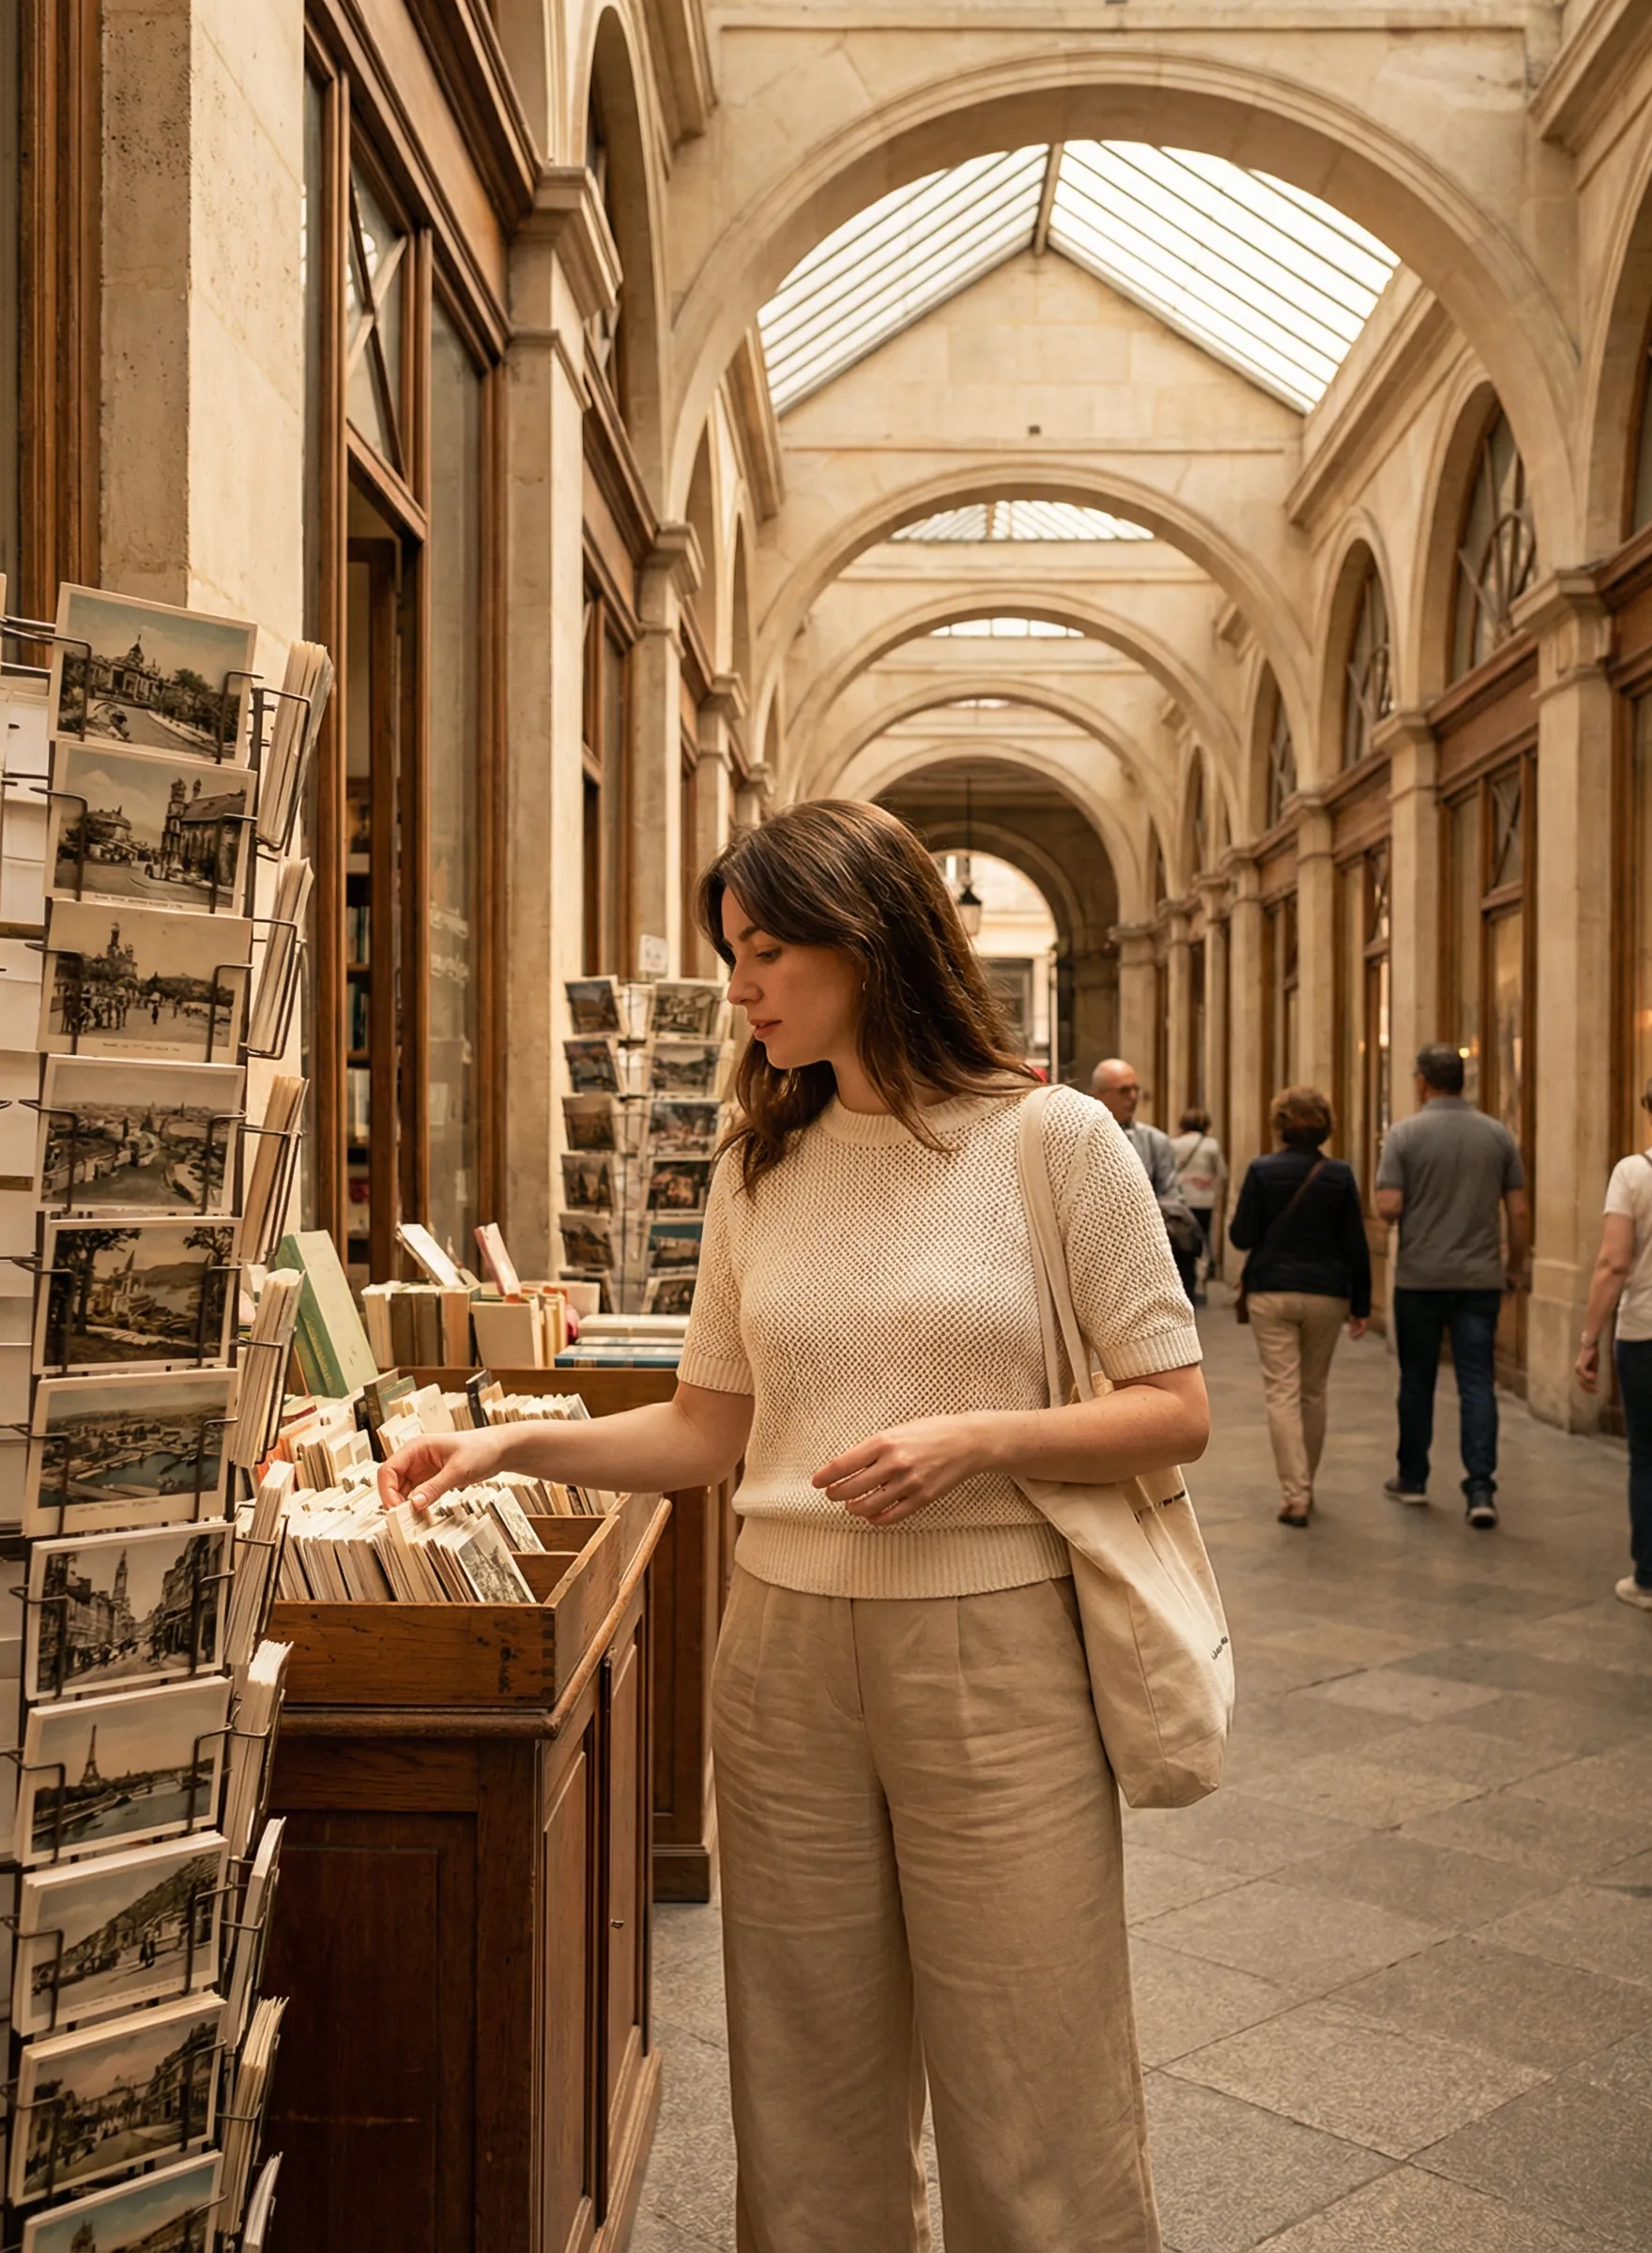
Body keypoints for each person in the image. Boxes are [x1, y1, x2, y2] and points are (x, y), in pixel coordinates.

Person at [381, 799, 1207, 2253]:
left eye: (765, 952)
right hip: (781, 1659)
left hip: (998, 1653)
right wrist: (511, 1431)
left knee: (1035, 2068)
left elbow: (1175, 1405)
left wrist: (981, 1439)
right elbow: (711, 1427)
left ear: (868, 938)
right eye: (733, 956)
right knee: (804, 2075)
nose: (742, 987)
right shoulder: (761, 1167)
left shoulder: (1057, 1141)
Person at [1375, 1042, 1528, 1528]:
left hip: (1421, 1277)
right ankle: (1480, 1488)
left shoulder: (1404, 1134)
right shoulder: (1497, 1135)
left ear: (1423, 1081)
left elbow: (1388, 1205)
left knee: (1417, 1379)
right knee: (1477, 1381)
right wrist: (1515, 1266)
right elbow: (1519, 1211)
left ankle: (1413, 1477)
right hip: (1480, 1277)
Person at [1229, 1086, 1371, 1525]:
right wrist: (1362, 1304)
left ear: (1281, 1124)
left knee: (1282, 1391)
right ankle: (1305, 1480)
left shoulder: (1262, 1171)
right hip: (1328, 1292)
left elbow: (1241, 1236)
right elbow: (1356, 1244)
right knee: (1313, 1390)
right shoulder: (1339, 1175)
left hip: (1272, 1290)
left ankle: (1296, 1494)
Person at [1574, 1062, 1652, 1611]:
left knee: (1651, 1459)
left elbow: (1613, 1263)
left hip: (1648, 1335)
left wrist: (1590, 1338)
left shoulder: (1633, 1173)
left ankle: (1649, 1579)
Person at [1092, 1057, 1201, 1305]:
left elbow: (1172, 1196)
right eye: (1124, 1091)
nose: (1133, 1097)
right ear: (1099, 1095)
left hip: (1145, 1256)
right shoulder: (1076, 1139)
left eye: (1135, 1089)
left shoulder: (1155, 1141)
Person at [1170, 1106, 1229, 1297]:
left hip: (1180, 1201)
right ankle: (1200, 1283)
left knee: (1180, 1241)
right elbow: (1222, 1174)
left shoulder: (1174, 1144)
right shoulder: (1211, 1145)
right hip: (1204, 1201)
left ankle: (1181, 1281)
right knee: (1202, 1242)